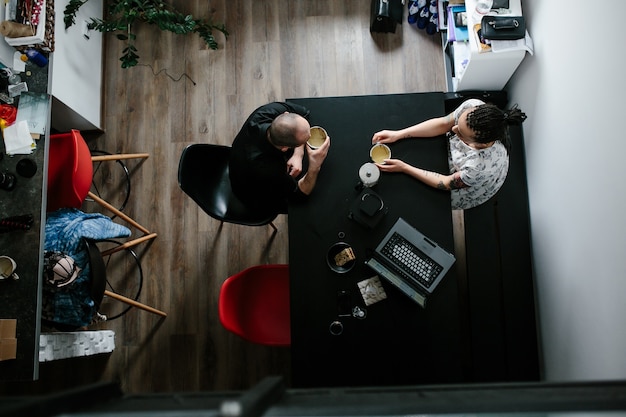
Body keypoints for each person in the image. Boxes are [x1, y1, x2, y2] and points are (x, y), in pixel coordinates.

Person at [371, 98, 526, 210]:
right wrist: (399, 134)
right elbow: (444, 124)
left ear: (481, 144)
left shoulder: (477, 168)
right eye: (458, 124)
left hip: (471, 183)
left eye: (461, 134)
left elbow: (445, 183)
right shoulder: (472, 107)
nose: (453, 130)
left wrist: (405, 168)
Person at [229, 101, 331, 215]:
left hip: (240, 158)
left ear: (285, 114)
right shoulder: (269, 168)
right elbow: (299, 195)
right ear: (284, 148)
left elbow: (304, 113)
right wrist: (314, 167)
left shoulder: (266, 112)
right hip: (252, 193)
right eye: (305, 140)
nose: (310, 136)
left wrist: (298, 154)